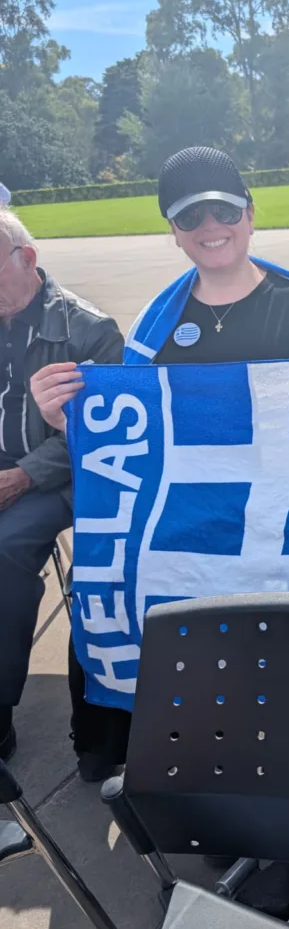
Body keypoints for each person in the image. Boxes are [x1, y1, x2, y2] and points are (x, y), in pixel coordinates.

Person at [31, 146, 289, 780]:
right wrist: (68, 421)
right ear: (174, 232)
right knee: (111, 588)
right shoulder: (157, 326)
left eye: (224, 210)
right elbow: (135, 444)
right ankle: (156, 749)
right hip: (195, 524)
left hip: (288, 522)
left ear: (250, 214)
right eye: (190, 217)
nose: (211, 227)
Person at [0, 209, 123, 766]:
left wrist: (24, 475)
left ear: (27, 258)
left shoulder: (89, 330)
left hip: (66, 473)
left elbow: (103, 435)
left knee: (6, 547)